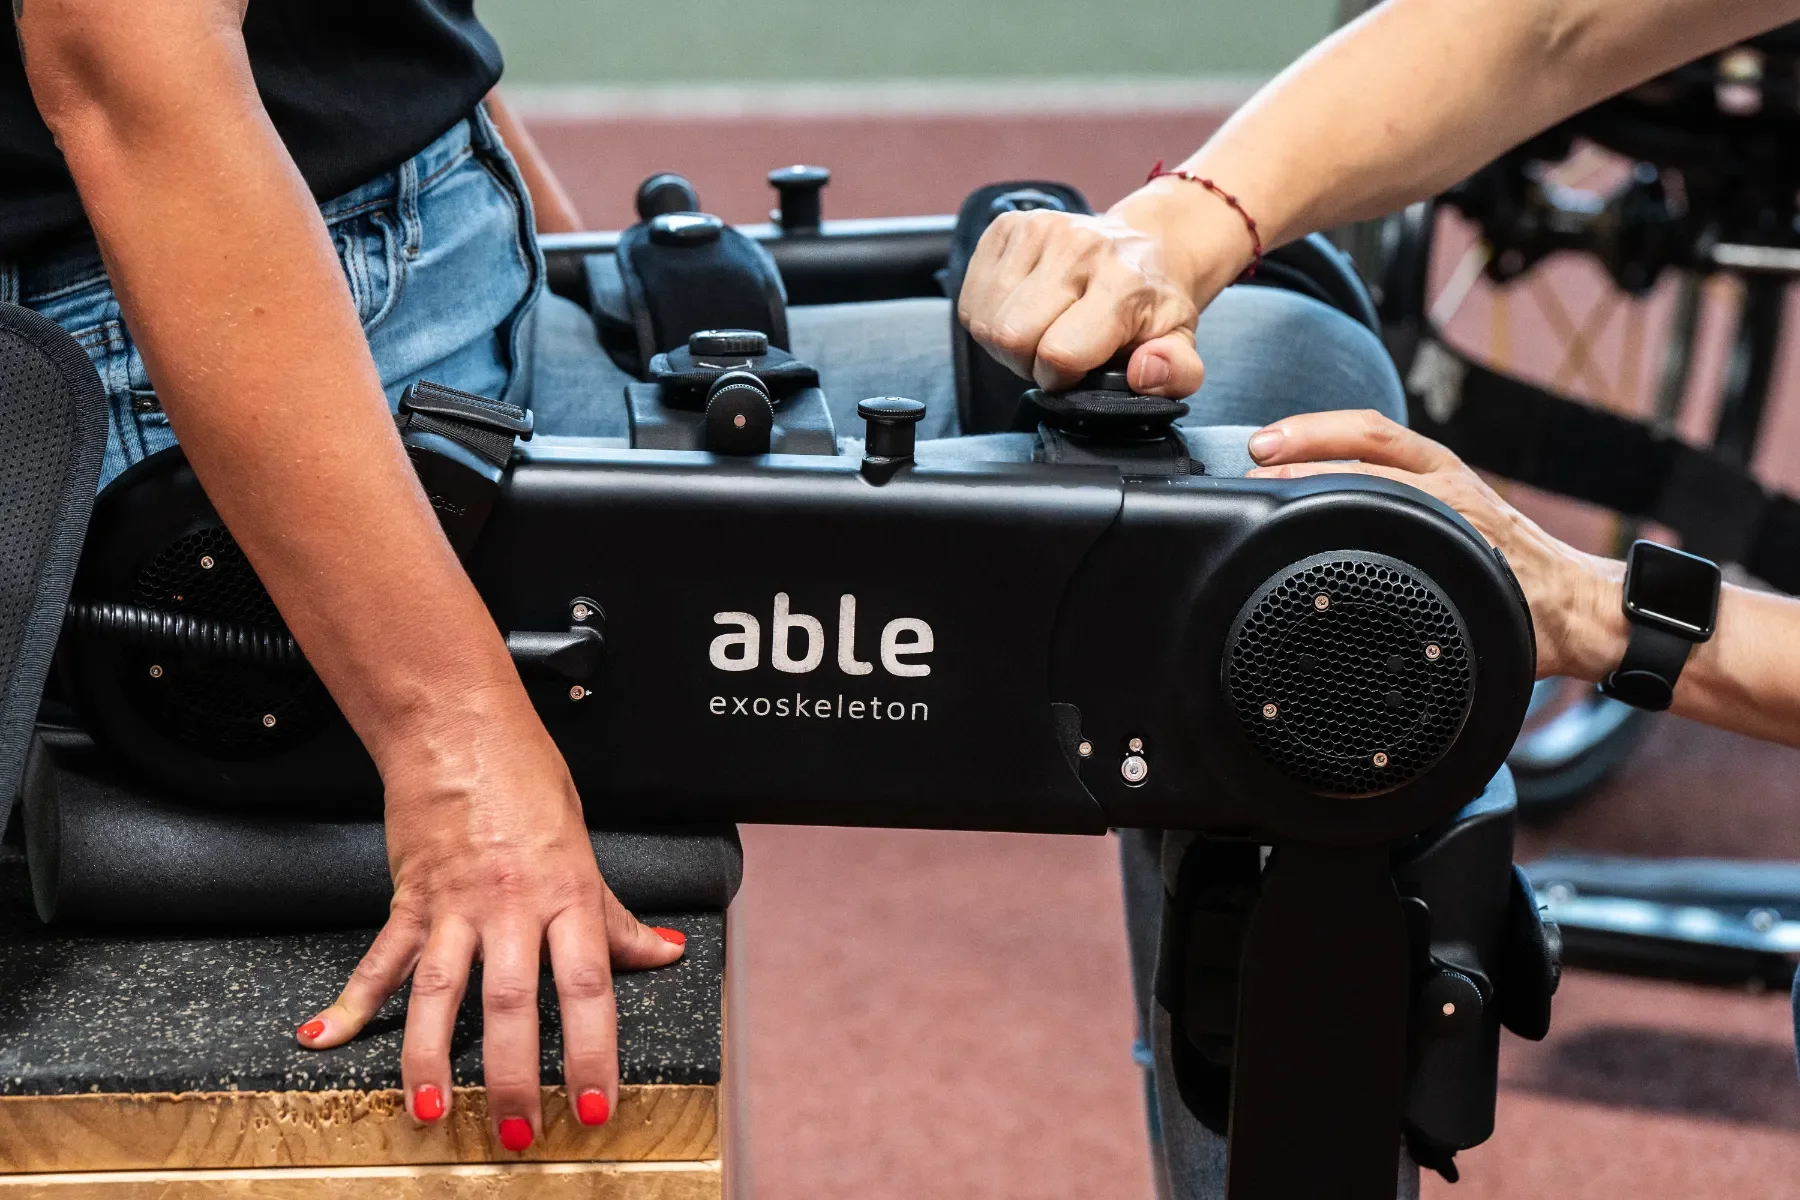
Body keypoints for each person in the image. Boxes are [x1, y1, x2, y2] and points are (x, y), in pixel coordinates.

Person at [3, 0, 1798, 1193]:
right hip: (188, 378)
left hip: (393, 271)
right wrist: (1181, 227)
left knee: (1320, 575)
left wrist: (1631, 621)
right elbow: (1561, 19)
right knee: (1294, 509)